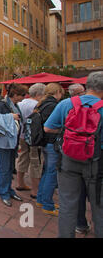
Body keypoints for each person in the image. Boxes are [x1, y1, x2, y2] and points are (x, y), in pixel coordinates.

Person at [44, 71, 103, 238]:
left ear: (87, 86)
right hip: (97, 162)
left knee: (68, 204)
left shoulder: (65, 104)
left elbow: (48, 128)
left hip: (68, 160)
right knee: (99, 206)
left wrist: (68, 132)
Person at [0, 83, 28, 207]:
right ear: (15, 95)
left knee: (11, 167)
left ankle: (9, 190)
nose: (24, 97)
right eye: (22, 95)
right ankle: (4, 193)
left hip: (12, 139)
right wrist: (10, 117)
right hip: (3, 140)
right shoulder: (1, 104)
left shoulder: (15, 105)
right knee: (5, 167)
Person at [33, 83, 64, 216]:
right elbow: (50, 126)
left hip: (43, 142)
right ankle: (47, 204)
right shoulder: (53, 106)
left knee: (46, 171)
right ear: (57, 92)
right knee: (51, 173)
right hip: (51, 142)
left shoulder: (41, 104)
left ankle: (41, 199)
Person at [16, 83, 46, 198]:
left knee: (22, 157)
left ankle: (20, 183)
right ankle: (35, 190)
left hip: (22, 135)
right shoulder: (38, 105)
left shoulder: (20, 103)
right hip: (34, 138)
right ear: (39, 94)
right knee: (35, 162)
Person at [67, 83, 90, 234]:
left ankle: (80, 223)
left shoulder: (64, 104)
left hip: (73, 152)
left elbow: (48, 127)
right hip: (95, 153)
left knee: (79, 189)